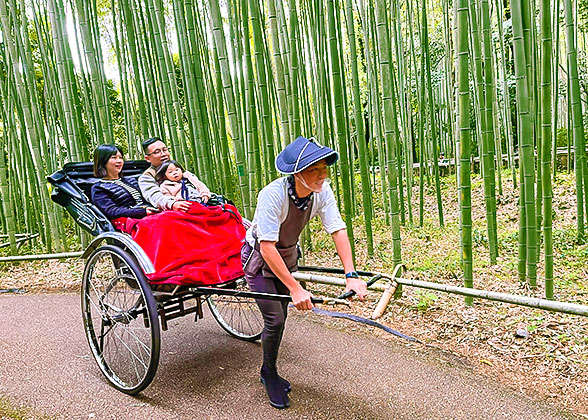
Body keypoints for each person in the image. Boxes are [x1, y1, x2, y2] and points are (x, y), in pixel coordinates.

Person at [242, 136, 368, 409]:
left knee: (282, 316)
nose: (322, 175)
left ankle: (270, 367)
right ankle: (268, 373)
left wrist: (351, 274)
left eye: (325, 168)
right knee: (274, 320)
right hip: (259, 260)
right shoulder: (272, 195)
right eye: (315, 170)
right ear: (297, 173)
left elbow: (337, 228)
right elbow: (266, 248)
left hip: (286, 256)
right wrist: (295, 288)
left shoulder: (322, 190)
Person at [91, 144, 158, 220]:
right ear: (103, 161)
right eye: (114, 158)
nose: (119, 161)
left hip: (150, 214)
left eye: (121, 158)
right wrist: (142, 212)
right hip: (128, 221)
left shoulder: (131, 180)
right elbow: (111, 211)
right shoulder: (98, 188)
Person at [138, 137, 192, 212]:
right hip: (174, 210)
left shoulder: (176, 168)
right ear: (147, 158)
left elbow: (195, 184)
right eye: (157, 152)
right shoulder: (146, 177)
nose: (163, 154)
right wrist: (172, 204)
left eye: (165, 150)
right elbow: (155, 196)